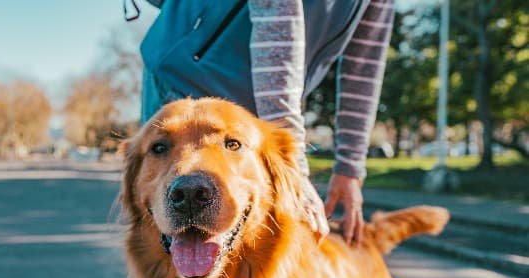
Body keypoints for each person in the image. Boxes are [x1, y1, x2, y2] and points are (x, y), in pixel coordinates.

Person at [129, 0, 395, 245]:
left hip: (266, 104)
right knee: (174, 236)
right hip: (186, 77)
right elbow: (276, 13)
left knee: (272, 247)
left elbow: (364, 59)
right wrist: (293, 169)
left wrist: (349, 168)